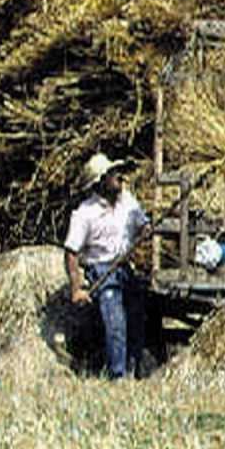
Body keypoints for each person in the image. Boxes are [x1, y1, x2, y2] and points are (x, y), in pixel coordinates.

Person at [63, 153, 152, 380]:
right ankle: (118, 376)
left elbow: (143, 224)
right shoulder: (85, 213)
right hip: (101, 270)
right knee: (115, 322)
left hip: (125, 267)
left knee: (138, 316)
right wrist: (76, 288)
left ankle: (134, 370)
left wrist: (145, 231)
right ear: (100, 181)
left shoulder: (128, 201)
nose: (119, 177)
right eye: (113, 174)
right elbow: (72, 252)